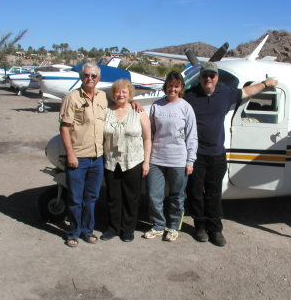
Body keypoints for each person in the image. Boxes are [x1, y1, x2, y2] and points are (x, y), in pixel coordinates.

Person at [184, 61, 278, 246]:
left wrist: (266, 84)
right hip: (195, 155)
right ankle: (200, 227)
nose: (208, 79)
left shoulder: (225, 93)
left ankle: (215, 230)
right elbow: (169, 98)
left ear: (217, 78)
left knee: (213, 194)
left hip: (217, 154)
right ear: (200, 78)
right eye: (204, 76)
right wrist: (134, 103)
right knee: (195, 193)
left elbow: (247, 91)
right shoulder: (189, 95)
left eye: (212, 75)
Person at [143, 71, 198, 242]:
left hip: (178, 160)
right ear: (165, 86)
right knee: (154, 195)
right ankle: (158, 225)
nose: (173, 89)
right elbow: (149, 133)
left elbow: (192, 136)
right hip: (157, 158)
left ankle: (173, 227)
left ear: (181, 87)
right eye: (170, 85)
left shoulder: (186, 107)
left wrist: (190, 161)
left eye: (176, 86)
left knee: (177, 196)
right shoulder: (156, 106)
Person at [59, 63, 106, 247]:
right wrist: (70, 154)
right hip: (78, 157)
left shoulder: (103, 96)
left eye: (94, 76)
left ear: (98, 78)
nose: (90, 79)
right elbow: (64, 128)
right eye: (87, 75)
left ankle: (87, 230)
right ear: (81, 76)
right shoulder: (72, 98)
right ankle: (73, 232)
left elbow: (122, 99)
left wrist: (133, 102)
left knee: (91, 198)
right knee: (75, 199)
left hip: (98, 157)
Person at [101, 79, 151, 242]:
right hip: (111, 161)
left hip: (133, 161)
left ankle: (128, 229)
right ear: (113, 94)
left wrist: (146, 162)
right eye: (117, 91)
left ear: (130, 94)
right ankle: (113, 228)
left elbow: (147, 138)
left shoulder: (139, 112)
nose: (120, 94)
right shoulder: (107, 112)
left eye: (124, 92)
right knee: (113, 197)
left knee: (131, 198)